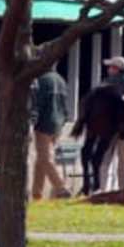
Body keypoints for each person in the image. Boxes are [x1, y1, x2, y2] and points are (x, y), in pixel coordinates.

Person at [98, 56, 124, 190]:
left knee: (104, 160)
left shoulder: (105, 84)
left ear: (116, 69)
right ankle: (123, 189)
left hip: (108, 129)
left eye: (110, 67)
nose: (108, 69)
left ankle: (102, 188)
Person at [31, 69, 71, 199]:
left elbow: (36, 103)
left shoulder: (40, 80)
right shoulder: (60, 79)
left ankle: (61, 187)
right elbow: (65, 104)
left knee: (45, 158)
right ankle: (37, 194)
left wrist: (32, 122)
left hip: (44, 123)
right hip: (57, 124)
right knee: (41, 159)